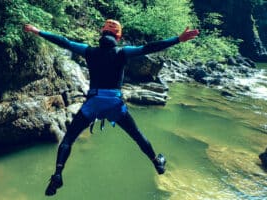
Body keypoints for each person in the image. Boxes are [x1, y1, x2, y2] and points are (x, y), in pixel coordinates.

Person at [24, 19, 199, 196]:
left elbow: (64, 42)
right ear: (119, 36)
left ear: (102, 33)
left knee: (68, 139)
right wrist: (178, 39)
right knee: (137, 135)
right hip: (115, 104)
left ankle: (58, 174)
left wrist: (38, 31)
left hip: (93, 103)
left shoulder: (89, 51)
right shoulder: (123, 52)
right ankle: (157, 162)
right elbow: (149, 47)